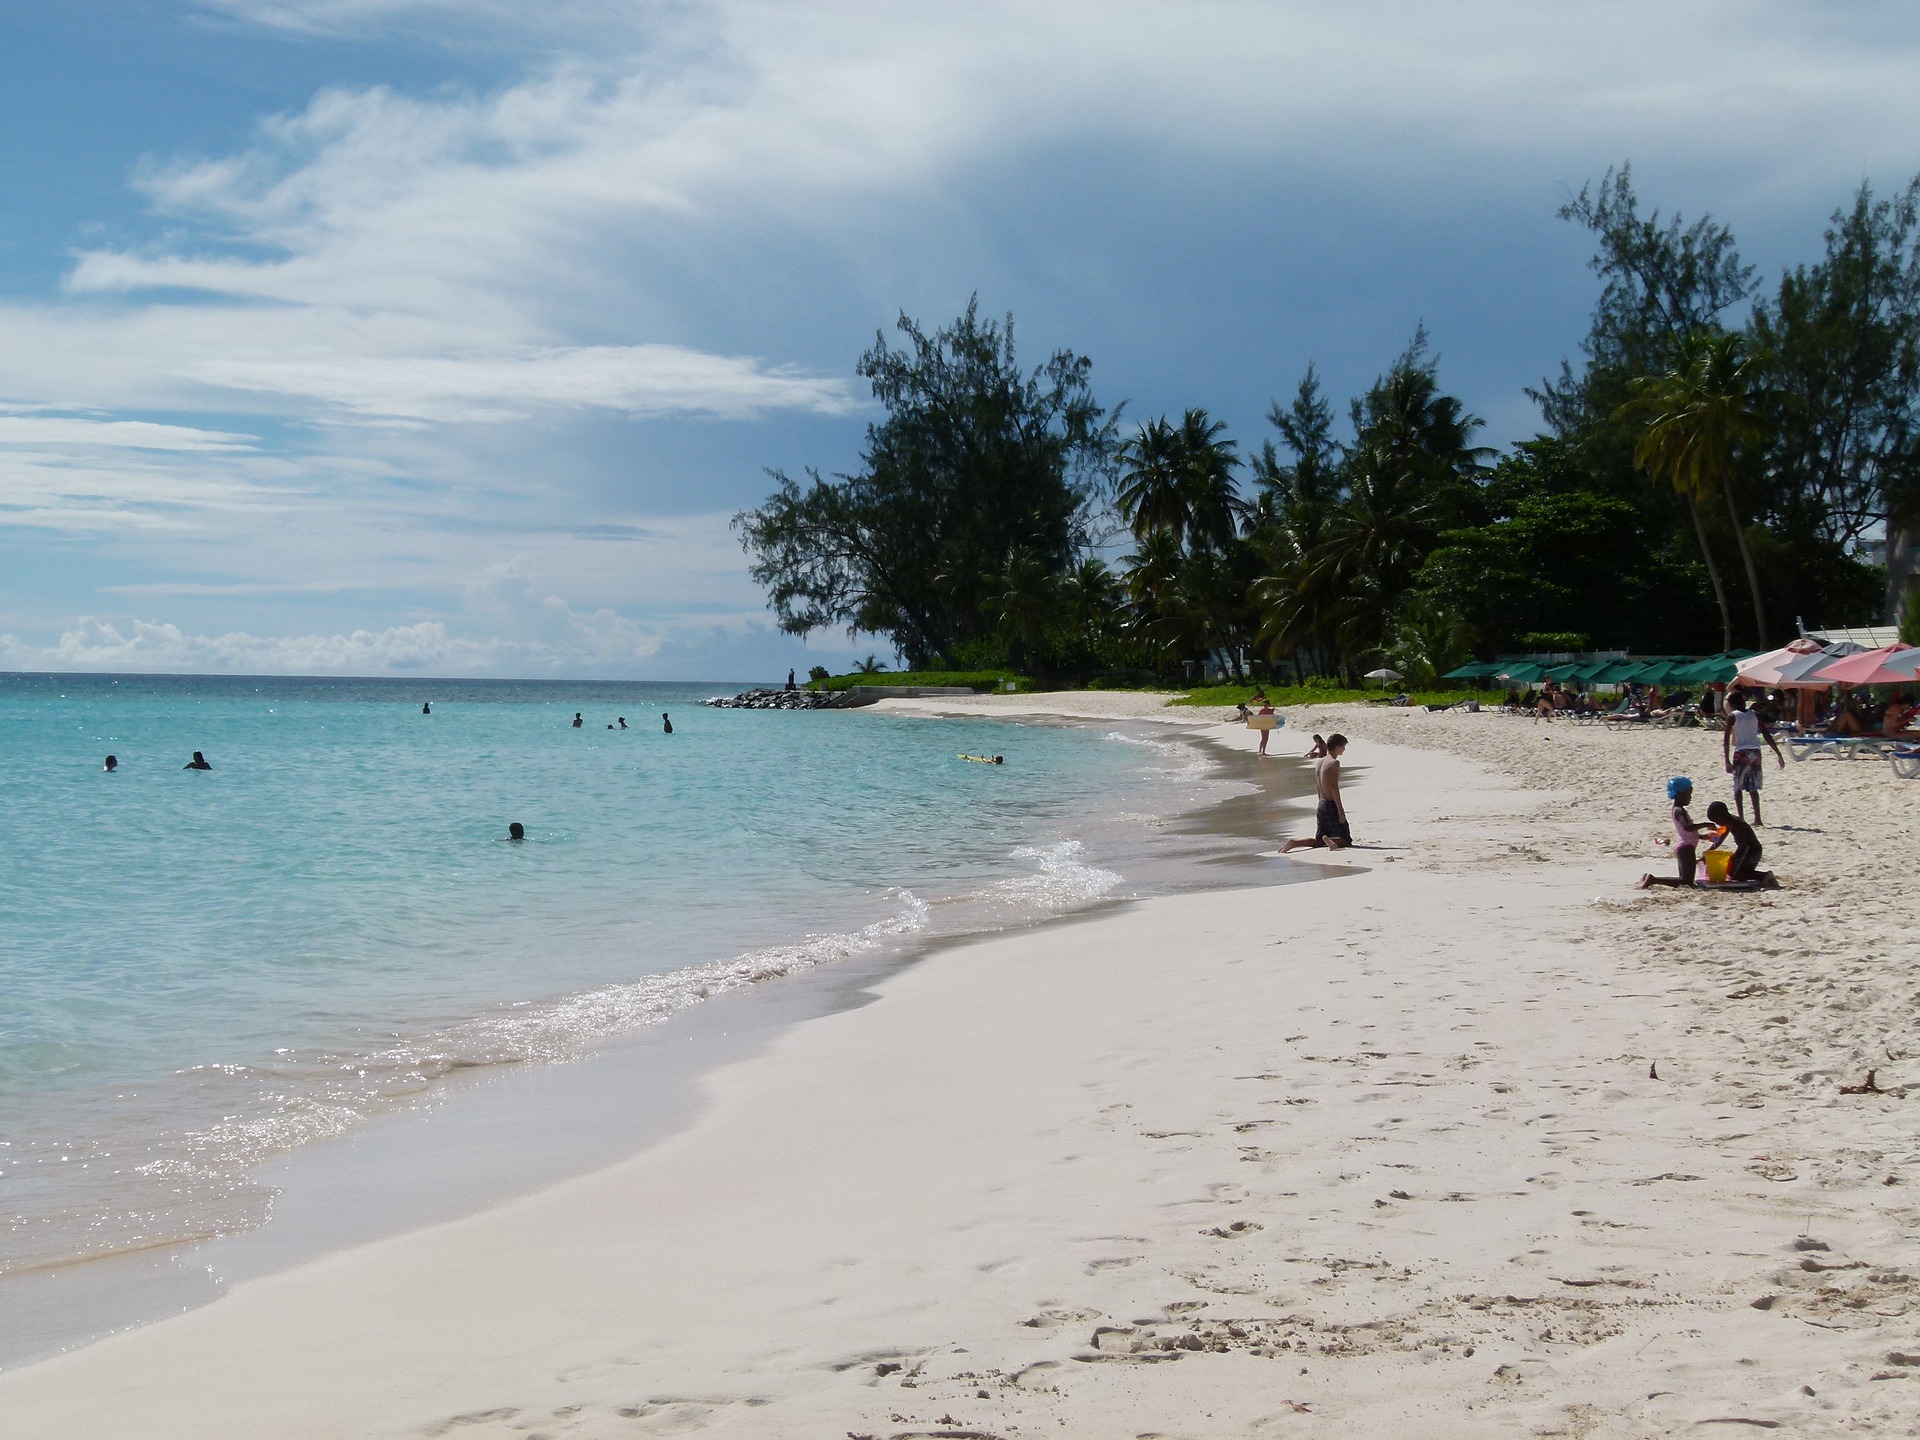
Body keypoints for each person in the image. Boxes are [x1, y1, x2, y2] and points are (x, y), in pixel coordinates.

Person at [1721, 693, 1784, 824]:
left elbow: (1726, 740)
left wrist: (1727, 760)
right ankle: (1757, 818)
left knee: (1738, 787)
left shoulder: (1732, 716)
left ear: (1731, 705)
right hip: (1755, 752)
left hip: (1741, 752)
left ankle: (1741, 818)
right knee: (1753, 787)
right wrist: (1778, 753)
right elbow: (1766, 735)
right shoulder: (1755, 714)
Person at [1282, 734, 1350, 852]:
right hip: (1331, 804)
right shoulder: (1334, 763)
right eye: (1343, 746)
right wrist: (1340, 810)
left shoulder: (1320, 762)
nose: (1344, 749)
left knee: (1318, 841)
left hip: (1321, 804)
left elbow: (1318, 786)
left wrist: (1320, 803)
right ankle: (1331, 841)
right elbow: (1334, 787)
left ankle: (1295, 843)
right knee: (1346, 840)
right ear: (1338, 747)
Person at [1637, 777, 1702, 888]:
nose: (1690, 798)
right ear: (1679, 794)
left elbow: (1687, 831)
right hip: (1686, 849)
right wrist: (1705, 825)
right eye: (1688, 795)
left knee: (1685, 879)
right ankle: (1653, 880)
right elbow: (1687, 827)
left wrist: (1702, 836)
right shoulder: (1678, 810)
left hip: (1684, 847)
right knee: (1686, 882)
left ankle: (1650, 879)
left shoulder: (1680, 809)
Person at [1704, 801, 1777, 887]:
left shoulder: (1735, 823)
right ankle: (1765, 878)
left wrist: (1732, 857)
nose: (1717, 824)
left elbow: (1743, 845)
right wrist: (1708, 853)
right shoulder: (1728, 822)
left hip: (1751, 850)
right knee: (1734, 872)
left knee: (1736, 875)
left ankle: (1765, 875)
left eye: (1716, 821)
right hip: (1748, 850)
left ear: (1722, 815)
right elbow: (1719, 839)